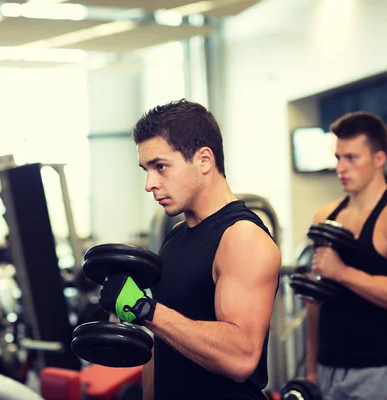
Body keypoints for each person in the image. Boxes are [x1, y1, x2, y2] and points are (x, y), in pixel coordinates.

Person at [99, 99, 281, 399]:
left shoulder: (242, 238)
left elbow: (241, 357)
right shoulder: (176, 237)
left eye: (160, 167)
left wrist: (145, 309)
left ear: (204, 160)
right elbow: (160, 341)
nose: (149, 183)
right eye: (146, 169)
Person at [305, 111, 387, 399]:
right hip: (329, 368)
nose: (341, 168)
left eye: (352, 158)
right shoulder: (325, 215)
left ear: (378, 159)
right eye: (338, 158)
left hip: (381, 371)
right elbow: (316, 304)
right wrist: (312, 367)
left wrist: (342, 273)